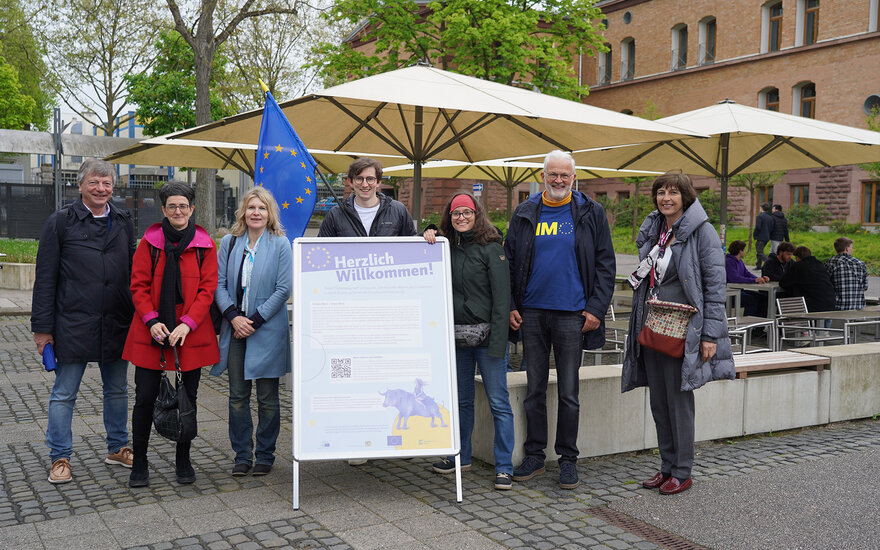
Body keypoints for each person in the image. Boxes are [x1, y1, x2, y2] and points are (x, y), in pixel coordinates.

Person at [504, 150, 615, 490]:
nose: (558, 180)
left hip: (573, 315)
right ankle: (535, 454)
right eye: (552, 174)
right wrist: (511, 305)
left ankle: (568, 459)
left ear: (573, 176)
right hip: (532, 313)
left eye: (564, 175)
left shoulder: (589, 212)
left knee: (569, 391)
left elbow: (605, 264)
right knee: (534, 389)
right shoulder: (525, 212)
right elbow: (507, 263)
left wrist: (596, 308)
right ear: (543, 176)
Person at [622, 171, 735, 496]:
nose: (666, 198)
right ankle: (666, 466)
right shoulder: (657, 230)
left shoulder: (703, 233)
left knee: (678, 401)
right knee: (659, 401)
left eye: (673, 192)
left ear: (686, 196)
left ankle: (682, 471)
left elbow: (715, 289)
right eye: (661, 192)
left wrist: (710, 336)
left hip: (686, 330)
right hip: (654, 326)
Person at [32, 159, 136, 484]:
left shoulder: (123, 220)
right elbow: (45, 278)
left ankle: (117, 447)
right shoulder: (60, 222)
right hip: (72, 322)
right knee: (64, 393)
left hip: (117, 320)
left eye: (107, 183)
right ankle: (59, 456)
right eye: (95, 182)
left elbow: (134, 273)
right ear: (80, 185)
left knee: (117, 390)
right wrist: (42, 329)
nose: (101, 189)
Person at [123, 181, 220, 488]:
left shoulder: (206, 245)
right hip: (153, 331)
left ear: (192, 209)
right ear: (163, 209)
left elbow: (208, 289)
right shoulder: (149, 243)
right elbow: (137, 286)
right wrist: (152, 321)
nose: (178, 211)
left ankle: (183, 459)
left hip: (189, 332)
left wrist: (188, 323)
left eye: (184, 206)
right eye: (172, 206)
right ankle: (139, 462)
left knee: (186, 399)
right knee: (145, 399)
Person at [423, 193, 515, 491]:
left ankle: (503, 466)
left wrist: (499, 344)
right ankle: (460, 456)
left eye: (467, 212)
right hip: (456, 339)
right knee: (461, 402)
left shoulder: (491, 248)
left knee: (499, 403)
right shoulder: (445, 247)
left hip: (489, 341)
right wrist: (427, 230)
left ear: (477, 214)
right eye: (455, 213)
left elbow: (502, 301)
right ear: (448, 217)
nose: (461, 217)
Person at [211, 187, 291, 477]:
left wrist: (253, 320)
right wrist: (233, 317)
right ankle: (242, 455)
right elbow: (218, 284)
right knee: (237, 396)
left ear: (270, 213)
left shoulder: (280, 243)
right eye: (251, 207)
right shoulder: (230, 243)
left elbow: (284, 289)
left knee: (268, 398)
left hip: (266, 329)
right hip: (234, 328)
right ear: (243, 211)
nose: (256, 213)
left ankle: (266, 455)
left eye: (262, 208)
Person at [317, 157, 417, 237]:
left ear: (378, 182)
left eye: (370, 179)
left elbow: (413, 245)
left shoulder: (398, 210)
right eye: (359, 179)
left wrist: (428, 232)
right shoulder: (335, 214)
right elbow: (321, 250)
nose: (365, 184)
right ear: (350, 182)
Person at [779, 246, 836, 313]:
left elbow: (783, 283)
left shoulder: (798, 266)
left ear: (797, 257)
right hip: (830, 303)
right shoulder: (819, 264)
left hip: (814, 306)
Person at [725, 240, 769, 317]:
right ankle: (746, 325)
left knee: (764, 298)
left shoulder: (740, 261)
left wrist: (759, 279)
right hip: (730, 293)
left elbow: (747, 273)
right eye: (744, 250)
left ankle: (758, 327)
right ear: (740, 251)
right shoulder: (729, 262)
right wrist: (754, 280)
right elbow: (735, 279)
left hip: (740, 291)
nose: (745, 252)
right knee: (752, 300)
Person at [825, 237, 868, 311]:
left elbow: (825, 285)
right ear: (847, 249)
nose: (852, 249)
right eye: (852, 247)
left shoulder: (830, 262)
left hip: (836, 307)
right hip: (857, 306)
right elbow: (865, 287)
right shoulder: (860, 263)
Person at [753, 202, 773, 270]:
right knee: (760, 250)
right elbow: (771, 228)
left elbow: (758, 227)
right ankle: (758, 265)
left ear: (761, 208)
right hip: (767, 237)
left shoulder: (760, 216)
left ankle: (769, 262)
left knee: (759, 251)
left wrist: (755, 234)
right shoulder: (770, 217)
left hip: (760, 236)